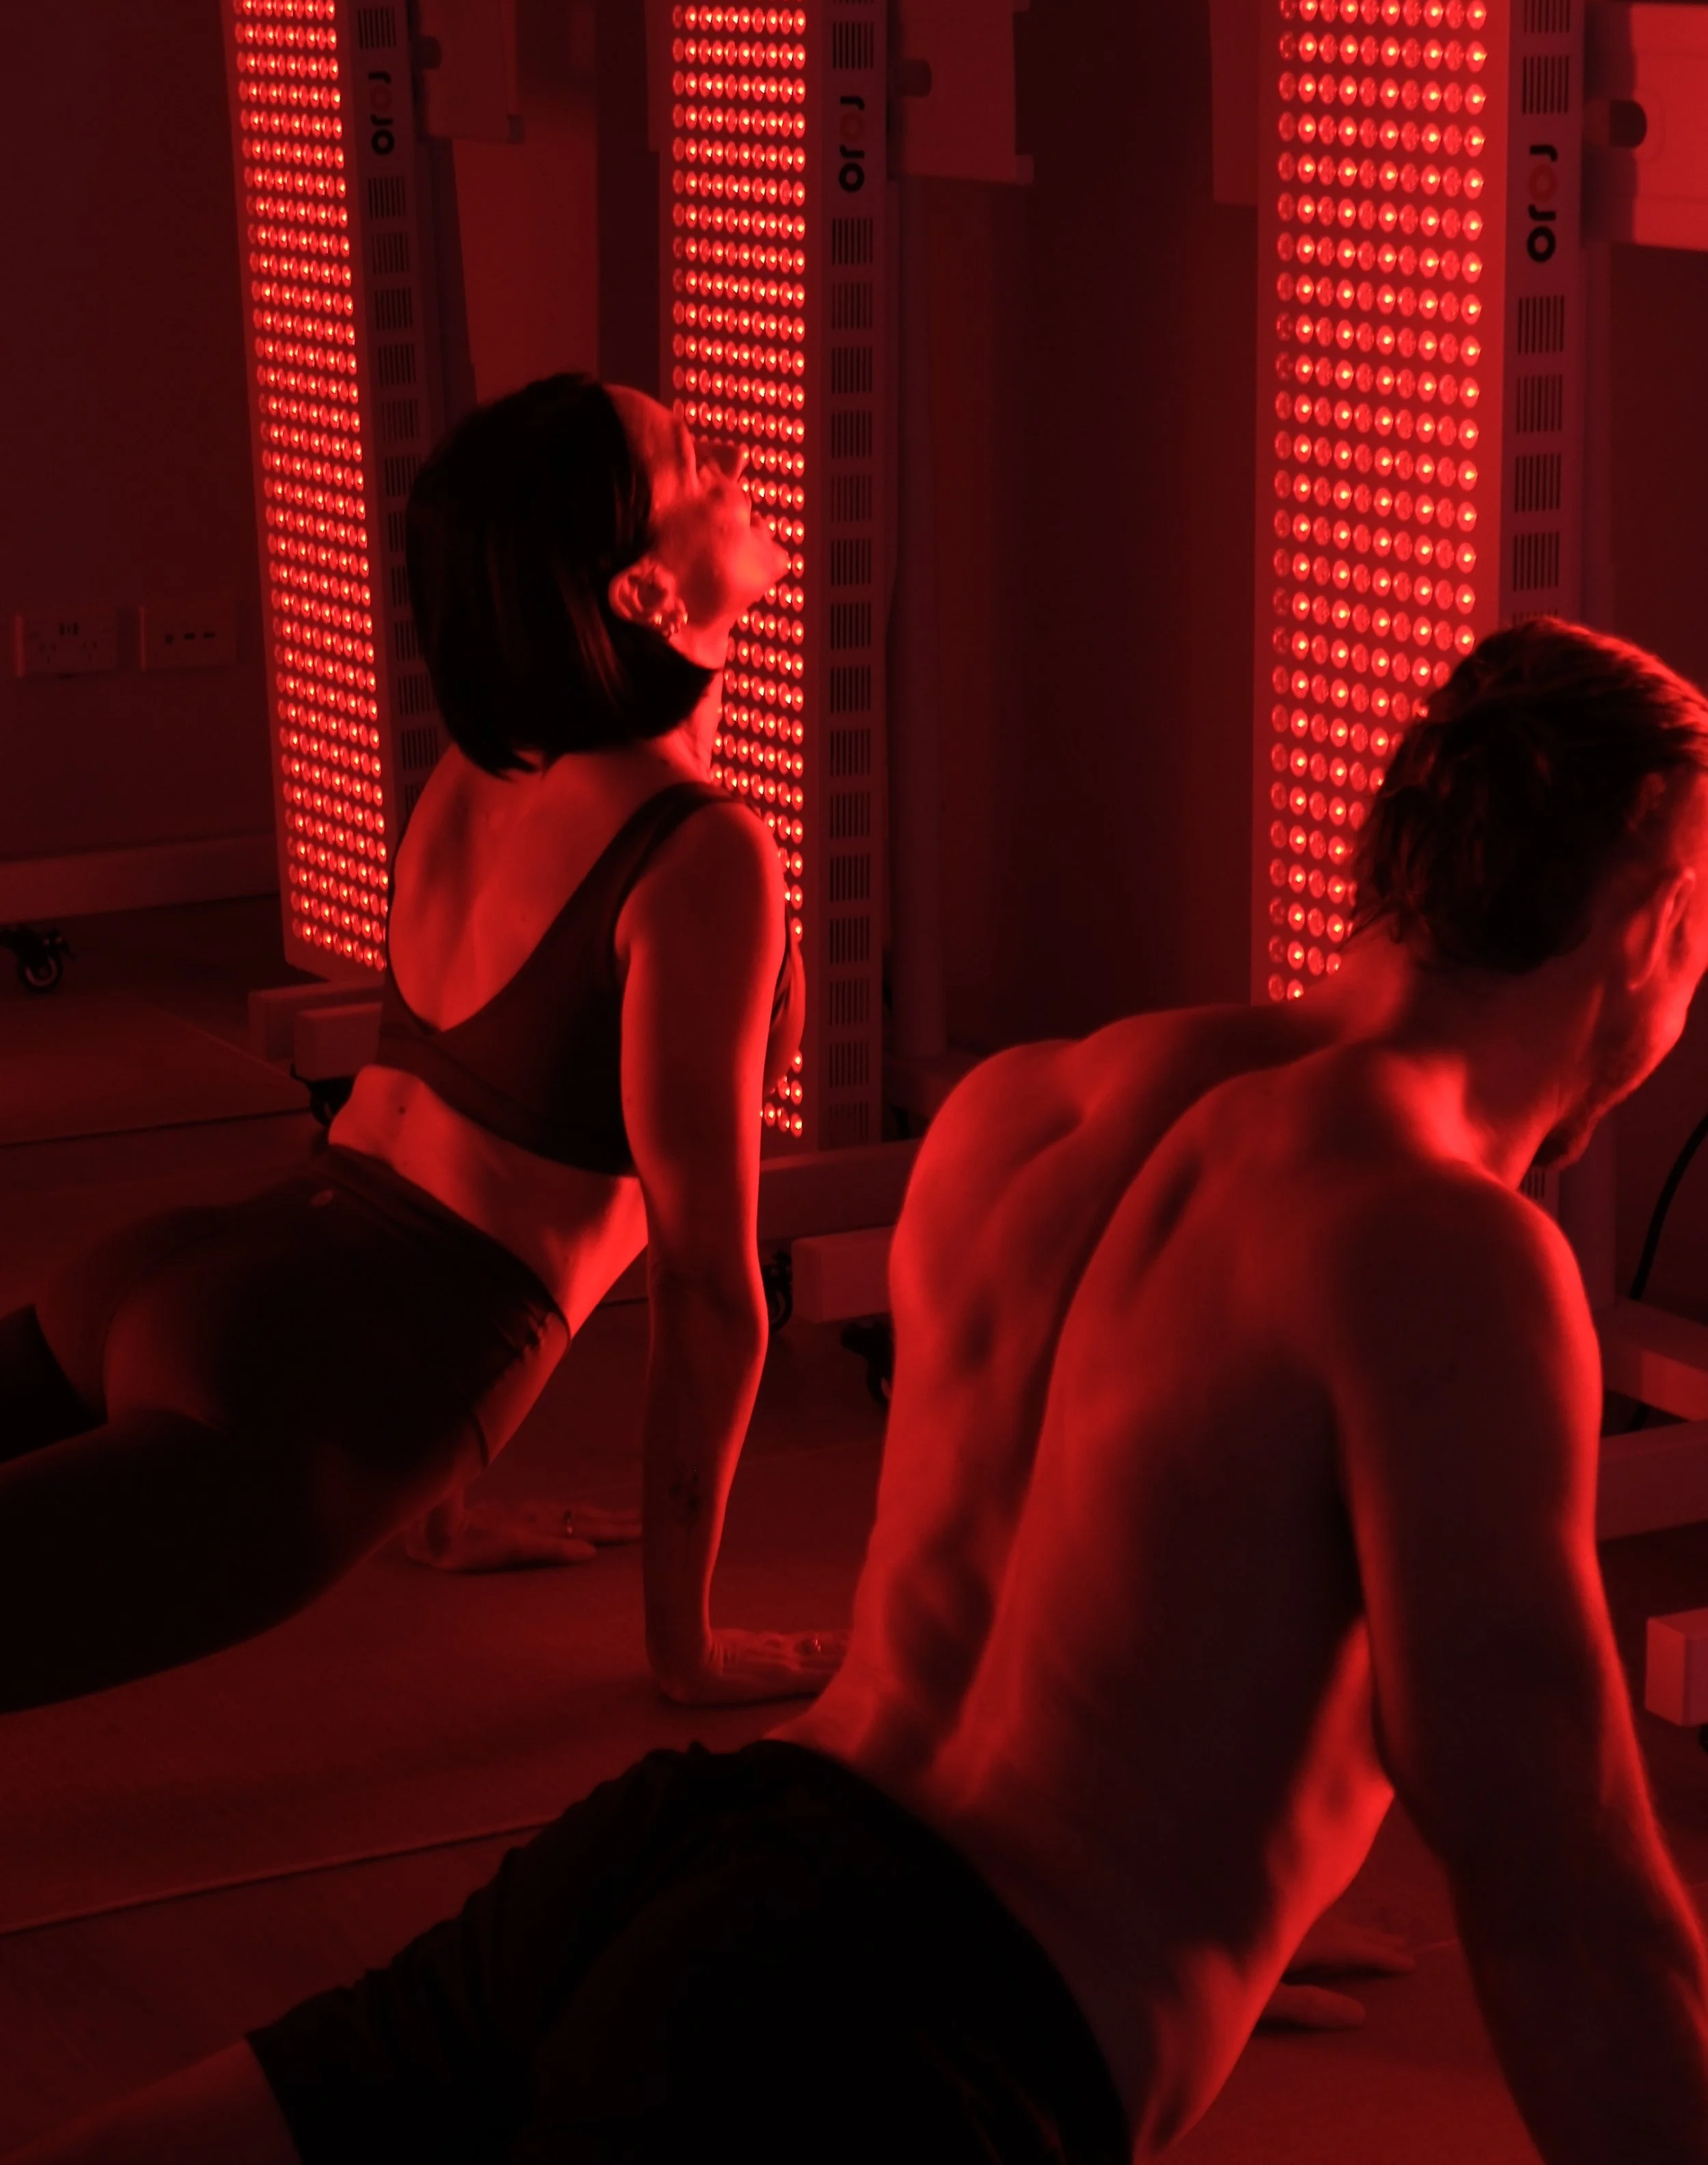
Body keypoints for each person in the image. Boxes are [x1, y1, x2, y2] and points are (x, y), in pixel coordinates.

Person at [16, 616, 1708, 2164]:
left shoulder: (1034, 1106)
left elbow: (1099, 1613)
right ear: (1650, 930)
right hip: (897, 2044)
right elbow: (1559, 1896)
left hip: (704, 1853)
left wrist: (1229, 1871)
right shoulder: (1444, 1248)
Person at [0, 375, 842, 1713]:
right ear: (642, 597)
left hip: (196, 1264)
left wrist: (437, 1500)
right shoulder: (698, 856)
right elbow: (705, 1287)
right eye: (692, 462)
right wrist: (682, 1645)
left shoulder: (482, 771)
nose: (732, 459)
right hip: (316, 1383)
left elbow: (458, 1118)